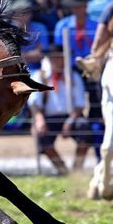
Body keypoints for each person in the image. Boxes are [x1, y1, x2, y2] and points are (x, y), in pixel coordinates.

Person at [28, 46, 90, 175]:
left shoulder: (73, 77)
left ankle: (77, 169)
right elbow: (34, 103)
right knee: (41, 135)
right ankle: (62, 169)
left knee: (85, 130)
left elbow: (80, 104)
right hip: (48, 117)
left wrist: (70, 121)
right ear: (49, 59)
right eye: (55, 58)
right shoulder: (40, 76)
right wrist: (39, 120)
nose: (58, 61)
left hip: (71, 116)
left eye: (61, 58)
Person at [53, 0, 98, 71]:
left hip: (93, 66)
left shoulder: (96, 26)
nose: (78, 9)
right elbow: (59, 50)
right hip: (70, 68)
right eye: (75, 7)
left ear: (86, 6)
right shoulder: (62, 25)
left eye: (81, 6)